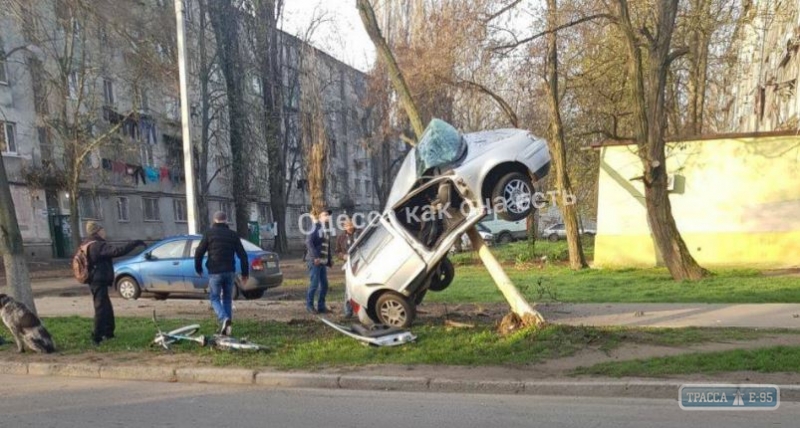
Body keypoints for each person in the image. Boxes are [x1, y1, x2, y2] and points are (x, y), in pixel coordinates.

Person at [83, 221, 146, 345]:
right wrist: (134, 244)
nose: (105, 232)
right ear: (98, 231)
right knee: (101, 308)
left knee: (106, 307)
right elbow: (117, 251)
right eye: (102, 230)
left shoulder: (88, 243)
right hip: (98, 280)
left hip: (96, 280)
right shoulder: (97, 245)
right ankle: (97, 336)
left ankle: (108, 333)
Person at [194, 211, 248, 336]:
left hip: (215, 271)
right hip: (229, 271)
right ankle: (227, 329)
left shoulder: (209, 234)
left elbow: (199, 252)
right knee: (227, 299)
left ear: (214, 220)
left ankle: (224, 319)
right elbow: (243, 255)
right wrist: (245, 273)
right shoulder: (232, 235)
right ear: (226, 220)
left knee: (214, 298)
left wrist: (198, 268)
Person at [305, 207, 332, 314]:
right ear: (319, 217)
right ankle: (309, 305)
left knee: (324, 285)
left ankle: (321, 306)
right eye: (325, 215)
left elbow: (326, 246)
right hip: (314, 261)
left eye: (328, 215)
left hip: (322, 262)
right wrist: (315, 257)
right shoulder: (314, 227)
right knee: (314, 284)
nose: (328, 217)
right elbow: (308, 242)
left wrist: (329, 260)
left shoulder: (325, 228)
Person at [335, 218, 360, 318]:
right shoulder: (341, 237)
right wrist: (343, 256)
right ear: (344, 227)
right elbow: (337, 251)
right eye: (347, 225)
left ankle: (362, 310)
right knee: (348, 288)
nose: (349, 226)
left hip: (360, 263)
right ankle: (348, 310)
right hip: (348, 265)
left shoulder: (360, 233)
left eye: (351, 224)